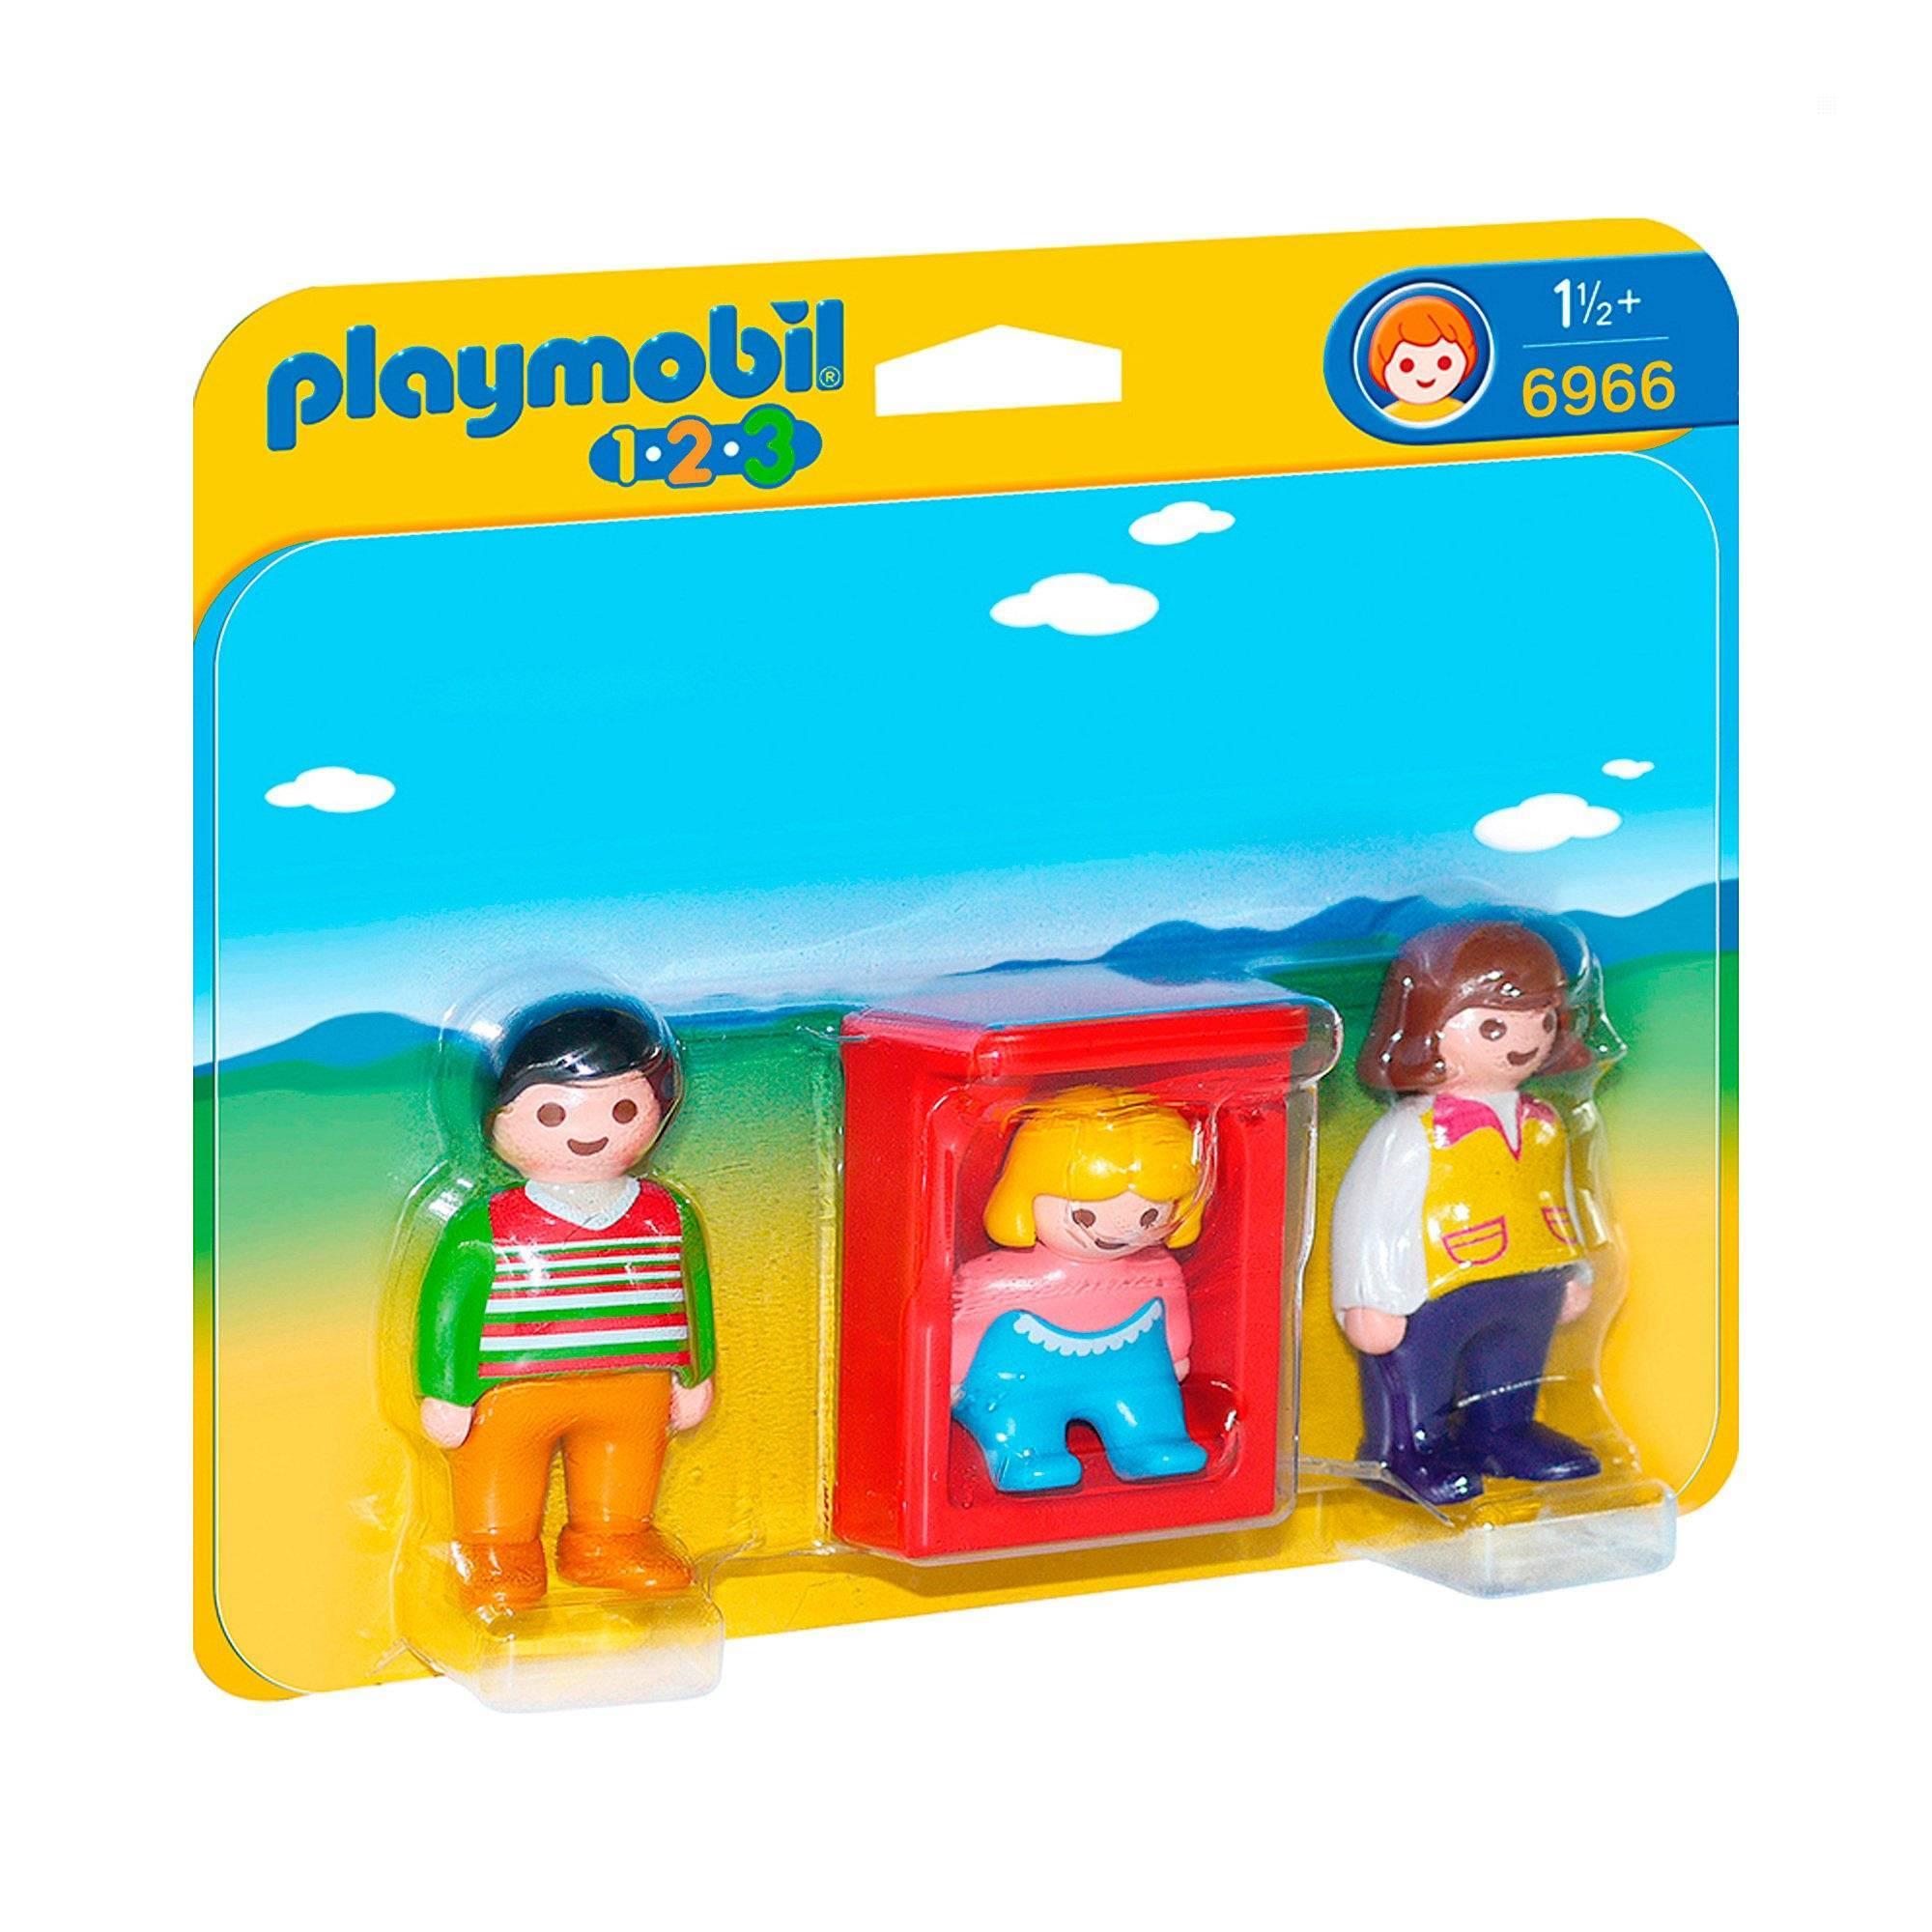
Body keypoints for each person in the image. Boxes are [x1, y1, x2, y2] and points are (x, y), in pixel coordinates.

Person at [415, 1000, 715, 1610]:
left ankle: (609, 1541)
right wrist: (444, 1390)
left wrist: (696, 1372)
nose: (589, 1130)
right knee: (502, 1473)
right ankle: (496, 1550)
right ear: (497, 1117)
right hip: (512, 1391)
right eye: (551, 1112)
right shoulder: (488, 1222)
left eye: (624, 1109)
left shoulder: (666, 1215)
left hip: (635, 1386)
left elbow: (694, 1298)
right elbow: (449, 1307)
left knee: (624, 1473)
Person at [1331, 922, 1604, 1506]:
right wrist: (1368, 1297)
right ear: (1428, 1027)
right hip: (1436, 1287)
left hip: (1530, 1276)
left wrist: (1575, 1269)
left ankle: (1504, 1432)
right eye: (1493, 1027)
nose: (1523, 1041)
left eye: (1542, 1021)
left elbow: (1557, 1196)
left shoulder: (1544, 1123)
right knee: (1418, 1376)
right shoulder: (1412, 1131)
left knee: (1512, 1370)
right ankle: (1404, 1449)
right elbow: (1370, 1217)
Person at [952, 1087, 1209, 1493]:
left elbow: (1172, 1317)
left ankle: (1154, 1440)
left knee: (1149, 1405)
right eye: (1085, 1215)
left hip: (1132, 1376)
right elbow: (967, 1330)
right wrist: (953, 1377)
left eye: (1150, 1215)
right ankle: (1027, 1453)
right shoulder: (996, 1279)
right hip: (1020, 1384)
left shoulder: (1157, 1271)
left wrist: (1177, 1355)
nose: (1123, 1230)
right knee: (1019, 1418)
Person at [1366, 293, 1481, 423]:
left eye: (1444, 363)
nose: (1425, 374)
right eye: (1407, 366)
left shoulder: (1461, 412)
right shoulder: (1389, 417)